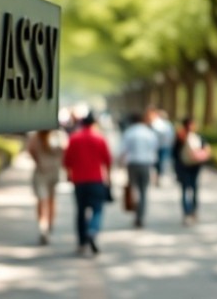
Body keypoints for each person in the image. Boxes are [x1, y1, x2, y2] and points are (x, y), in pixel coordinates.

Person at [63, 113, 112, 256]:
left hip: (79, 181)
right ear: (94, 124)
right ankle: (93, 230)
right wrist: (108, 178)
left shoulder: (74, 138)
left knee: (80, 212)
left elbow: (67, 160)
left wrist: (69, 175)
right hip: (96, 179)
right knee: (97, 209)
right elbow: (107, 160)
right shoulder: (99, 138)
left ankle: (82, 242)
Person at [120, 109, 160, 228]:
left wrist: (119, 163)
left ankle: (136, 213)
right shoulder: (149, 133)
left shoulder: (129, 132)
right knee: (143, 191)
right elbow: (154, 149)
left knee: (134, 189)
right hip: (145, 164)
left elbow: (122, 150)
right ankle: (141, 216)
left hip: (132, 164)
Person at [27, 128, 68, 245]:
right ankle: (46, 225)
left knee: (44, 200)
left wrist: (40, 161)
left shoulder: (41, 136)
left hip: (44, 172)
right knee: (49, 200)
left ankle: (45, 225)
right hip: (49, 172)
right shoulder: (57, 136)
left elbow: (30, 150)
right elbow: (65, 150)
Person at [173, 116, 211, 225]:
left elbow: (174, 154)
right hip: (188, 167)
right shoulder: (184, 137)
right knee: (189, 189)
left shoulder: (183, 137)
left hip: (191, 167)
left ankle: (190, 211)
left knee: (191, 189)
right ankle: (189, 212)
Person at [151, 109, 176, 185]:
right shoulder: (167, 125)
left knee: (159, 163)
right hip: (163, 146)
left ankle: (158, 176)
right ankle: (158, 176)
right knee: (161, 162)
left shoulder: (156, 124)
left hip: (160, 146)